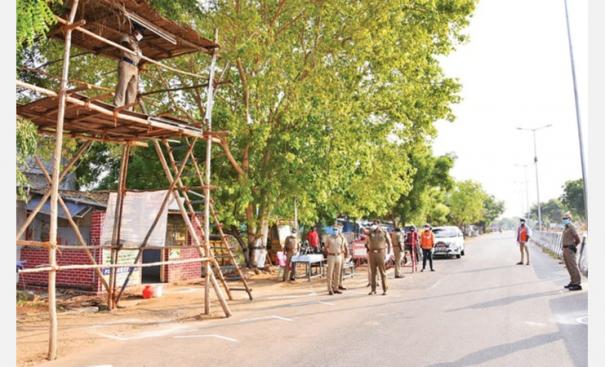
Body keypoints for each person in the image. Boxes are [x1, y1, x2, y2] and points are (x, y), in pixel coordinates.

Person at [114, 23, 144, 110]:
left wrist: (138, 52)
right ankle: (118, 104)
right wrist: (134, 50)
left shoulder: (137, 45)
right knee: (123, 85)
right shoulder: (127, 37)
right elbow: (125, 44)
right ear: (135, 31)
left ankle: (129, 108)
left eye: (141, 34)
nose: (140, 35)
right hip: (126, 64)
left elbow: (139, 56)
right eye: (139, 32)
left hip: (135, 67)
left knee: (133, 89)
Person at [367, 221, 392, 295]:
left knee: (382, 272)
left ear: (379, 225)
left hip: (380, 253)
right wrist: (371, 230)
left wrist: (388, 253)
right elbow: (365, 233)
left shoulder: (384, 232)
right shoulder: (370, 233)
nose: (374, 225)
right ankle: (373, 289)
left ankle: (385, 289)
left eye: (376, 223)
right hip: (372, 254)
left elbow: (389, 243)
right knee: (373, 272)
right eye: (374, 223)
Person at [561, 212, 582, 291]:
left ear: (569, 219)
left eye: (566, 218)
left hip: (569, 249)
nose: (564, 219)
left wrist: (572, 247)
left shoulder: (572, 227)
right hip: (565, 249)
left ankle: (577, 284)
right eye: (563, 218)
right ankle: (573, 282)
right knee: (569, 267)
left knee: (573, 266)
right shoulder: (566, 227)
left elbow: (578, 239)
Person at [325, 225, 347, 295]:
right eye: (334, 229)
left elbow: (343, 247)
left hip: (339, 256)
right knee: (330, 273)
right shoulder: (328, 238)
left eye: (336, 229)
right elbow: (325, 247)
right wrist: (328, 253)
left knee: (338, 273)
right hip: (331, 256)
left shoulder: (341, 238)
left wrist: (343, 253)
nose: (335, 231)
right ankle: (330, 289)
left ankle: (336, 288)